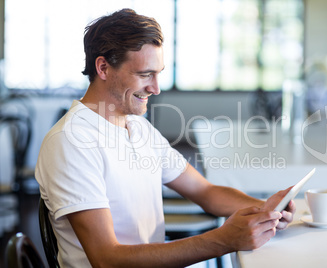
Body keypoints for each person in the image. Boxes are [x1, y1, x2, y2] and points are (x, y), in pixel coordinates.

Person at [35, 8, 295, 268]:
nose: (156, 88)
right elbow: (106, 259)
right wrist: (223, 240)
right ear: (103, 67)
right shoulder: (70, 142)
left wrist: (267, 210)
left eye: (158, 73)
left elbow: (205, 191)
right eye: (144, 74)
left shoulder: (138, 128)